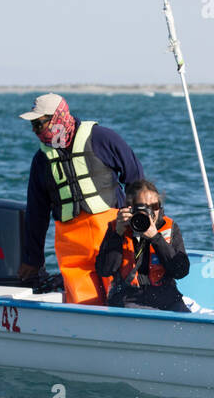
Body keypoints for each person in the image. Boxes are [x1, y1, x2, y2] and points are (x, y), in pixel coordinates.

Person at [18, 93, 145, 305]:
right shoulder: (41, 161)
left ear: (57, 117)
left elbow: (135, 178)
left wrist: (140, 225)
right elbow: (36, 213)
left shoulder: (102, 138)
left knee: (127, 300)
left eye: (39, 124)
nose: (34, 130)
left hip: (114, 236)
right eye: (33, 125)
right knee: (85, 306)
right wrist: (33, 259)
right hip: (72, 250)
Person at [94, 179, 190, 312]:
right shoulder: (118, 228)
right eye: (143, 207)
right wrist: (117, 235)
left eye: (154, 206)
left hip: (166, 297)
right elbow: (105, 270)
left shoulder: (169, 227)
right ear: (130, 208)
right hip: (128, 298)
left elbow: (181, 271)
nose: (150, 212)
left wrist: (155, 238)